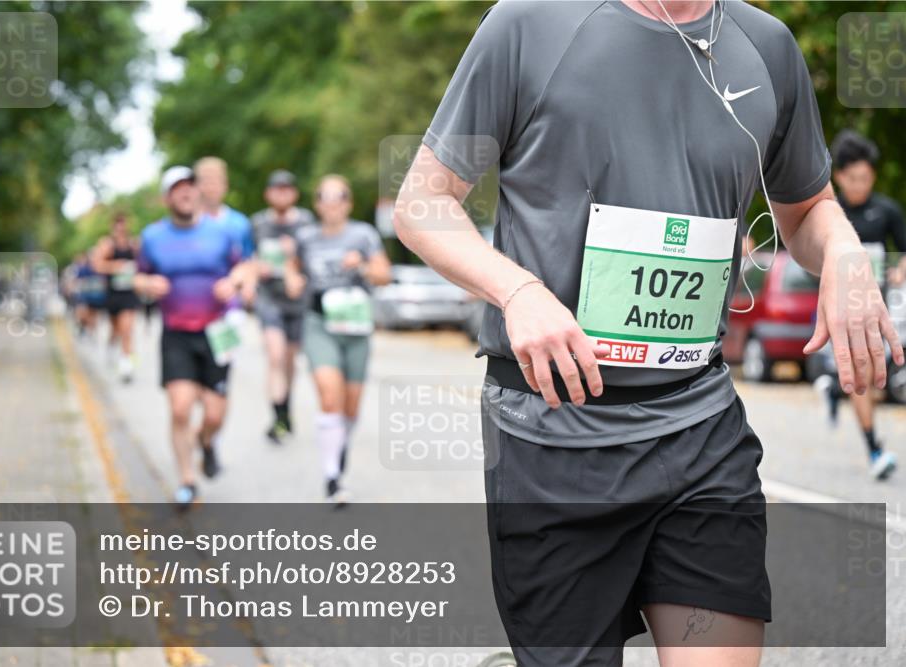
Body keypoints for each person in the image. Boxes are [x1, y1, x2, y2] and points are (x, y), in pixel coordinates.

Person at [394, 1, 903, 665]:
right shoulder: (528, 23)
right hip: (553, 436)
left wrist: (842, 249)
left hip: (700, 432)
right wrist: (517, 290)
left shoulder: (767, 46)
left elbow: (807, 208)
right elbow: (423, 203)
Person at [134, 166, 256, 509]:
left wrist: (234, 282)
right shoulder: (152, 237)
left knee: (215, 415)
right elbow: (137, 277)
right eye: (178, 188)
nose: (186, 192)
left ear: (198, 193)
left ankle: (206, 441)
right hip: (176, 333)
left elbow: (247, 266)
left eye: (190, 186)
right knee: (180, 408)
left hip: (218, 331)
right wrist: (147, 284)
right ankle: (187, 481)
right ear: (167, 198)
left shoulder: (222, 232)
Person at [285, 175, 390, 505]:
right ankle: (332, 477)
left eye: (339, 196)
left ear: (349, 202)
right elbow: (292, 267)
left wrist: (362, 266)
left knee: (350, 406)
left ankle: (339, 445)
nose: (332, 203)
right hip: (320, 323)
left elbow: (384, 275)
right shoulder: (306, 237)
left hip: (356, 326)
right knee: (330, 398)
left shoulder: (363, 234)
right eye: (325, 197)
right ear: (317, 203)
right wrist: (292, 280)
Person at [814, 129, 905, 480]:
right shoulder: (829, 213)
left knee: (864, 377)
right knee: (862, 373)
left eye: (865, 178)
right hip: (840, 309)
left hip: (876, 309)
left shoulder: (887, 211)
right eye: (852, 179)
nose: (859, 186)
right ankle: (875, 450)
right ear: (839, 177)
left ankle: (834, 389)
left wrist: (899, 269)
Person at [251, 170, 316, 443]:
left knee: (289, 361)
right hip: (269, 298)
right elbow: (248, 257)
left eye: (286, 189)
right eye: (276, 189)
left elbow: (314, 259)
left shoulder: (306, 222)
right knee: (275, 356)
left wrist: (295, 263)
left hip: (298, 302)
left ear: (294, 194)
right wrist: (258, 267)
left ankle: (285, 409)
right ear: (268, 194)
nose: (281, 194)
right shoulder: (258, 223)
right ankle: (277, 417)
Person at [92, 213, 141, 382]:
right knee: (116, 330)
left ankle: (126, 365)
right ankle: (112, 348)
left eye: (123, 225)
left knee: (127, 330)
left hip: (129, 292)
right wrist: (115, 266)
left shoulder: (133, 244)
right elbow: (97, 265)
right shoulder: (107, 244)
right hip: (113, 293)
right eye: (118, 226)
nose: (121, 229)